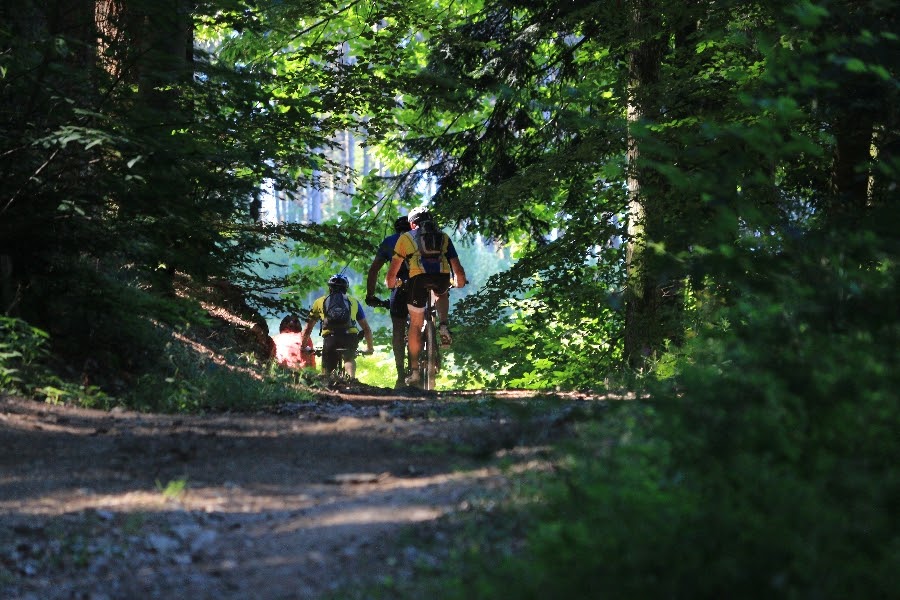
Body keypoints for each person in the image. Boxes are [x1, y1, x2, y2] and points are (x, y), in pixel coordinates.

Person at [385, 206, 467, 386]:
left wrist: (391, 284)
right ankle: (443, 325)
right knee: (442, 293)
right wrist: (459, 282)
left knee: (415, 325)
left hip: (418, 280)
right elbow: (457, 268)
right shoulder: (443, 237)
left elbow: (393, 271)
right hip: (442, 277)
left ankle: (415, 372)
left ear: (412, 224)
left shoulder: (406, 238)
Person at [366, 215, 412, 388]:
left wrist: (371, 295)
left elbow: (374, 270)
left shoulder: (389, 241)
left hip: (400, 288)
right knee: (421, 321)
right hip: (423, 287)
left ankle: (401, 374)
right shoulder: (421, 239)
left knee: (398, 331)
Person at [301, 273, 374, 379]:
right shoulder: (354, 302)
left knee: (327, 371)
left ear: (329, 288)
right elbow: (366, 328)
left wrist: (303, 346)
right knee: (349, 358)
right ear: (346, 288)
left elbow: (308, 328)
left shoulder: (319, 302)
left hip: (331, 338)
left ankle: (328, 381)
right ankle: (352, 379)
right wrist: (369, 348)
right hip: (350, 337)